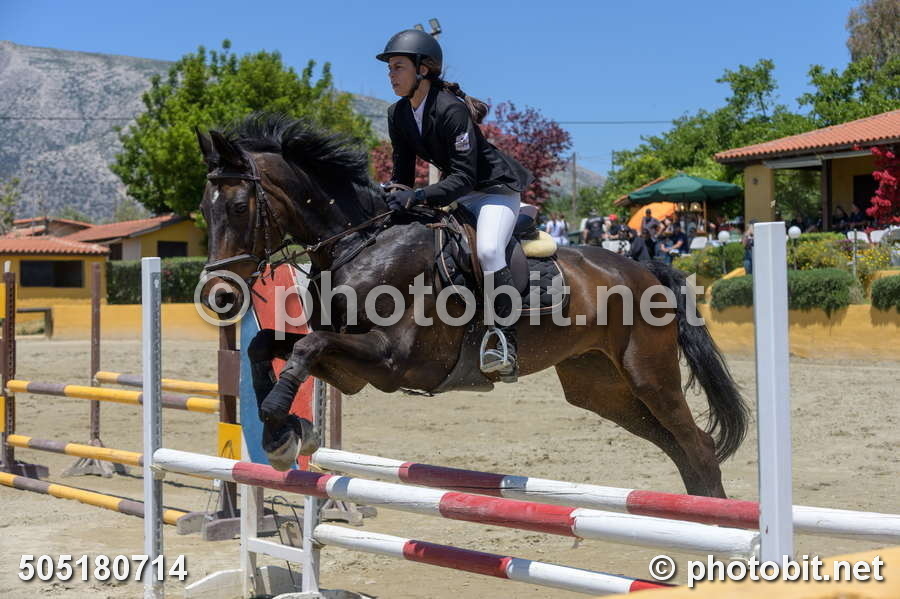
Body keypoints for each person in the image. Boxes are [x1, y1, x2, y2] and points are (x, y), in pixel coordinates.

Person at [377, 29, 533, 379]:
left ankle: (504, 341)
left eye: (398, 67)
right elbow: (402, 173)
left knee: (489, 250)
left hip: (493, 192)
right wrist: (393, 195)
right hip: (458, 194)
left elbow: (463, 176)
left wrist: (418, 196)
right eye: (389, 69)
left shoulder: (451, 109)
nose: (391, 75)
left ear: (423, 69)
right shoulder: (397, 114)